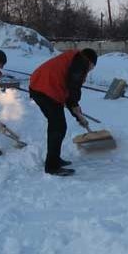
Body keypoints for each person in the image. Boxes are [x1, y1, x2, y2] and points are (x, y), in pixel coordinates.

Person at [29, 48, 98, 176]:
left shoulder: (74, 60)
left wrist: (78, 115)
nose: (90, 71)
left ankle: (54, 159)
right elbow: (73, 88)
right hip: (44, 89)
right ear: (90, 62)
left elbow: (68, 92)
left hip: (43, 87)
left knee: (58, 125)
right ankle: (52, 166)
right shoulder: (81, 63)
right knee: (58, 126)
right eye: (92, 67)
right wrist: (75, 105)